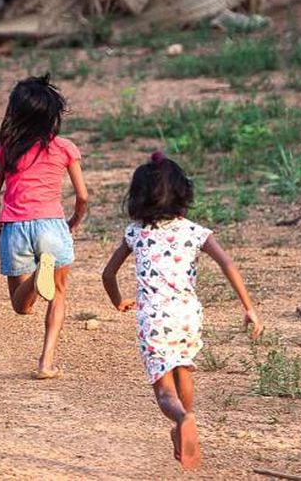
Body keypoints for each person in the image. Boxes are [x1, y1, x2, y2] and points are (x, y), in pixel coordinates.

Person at [102, 152, 263, 471]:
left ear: (138, 197)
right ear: (183, 194)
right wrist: (249, 307)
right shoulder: (196, 232)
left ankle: (180, 417)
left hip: (154, 319)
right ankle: (185, 422)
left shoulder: (135, 233)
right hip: (188, 314)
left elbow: (107, 274)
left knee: (164, 390)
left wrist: (118, 300)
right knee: (184, 368)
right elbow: (227, 263)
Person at [0, 74, 88, 379]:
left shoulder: (8, 148)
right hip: (52, 225)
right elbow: (82, 196)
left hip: (15, 227)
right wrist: (72, 223)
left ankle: (33, 280)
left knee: (21, 306)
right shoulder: (64, 148)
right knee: (58, 294)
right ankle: (45, 363)